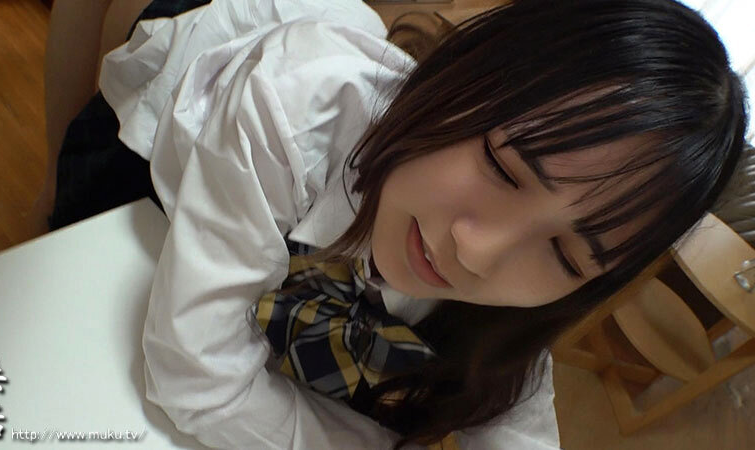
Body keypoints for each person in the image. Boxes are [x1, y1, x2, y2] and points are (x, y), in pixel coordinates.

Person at [45, 0, 748, 448]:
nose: (478, 253)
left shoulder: (523, 302)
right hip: (189, 78)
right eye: (504, 168)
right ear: (469, 72)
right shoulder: (295, 109)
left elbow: (520, 403)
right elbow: (196, 376)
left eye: (566, 256)